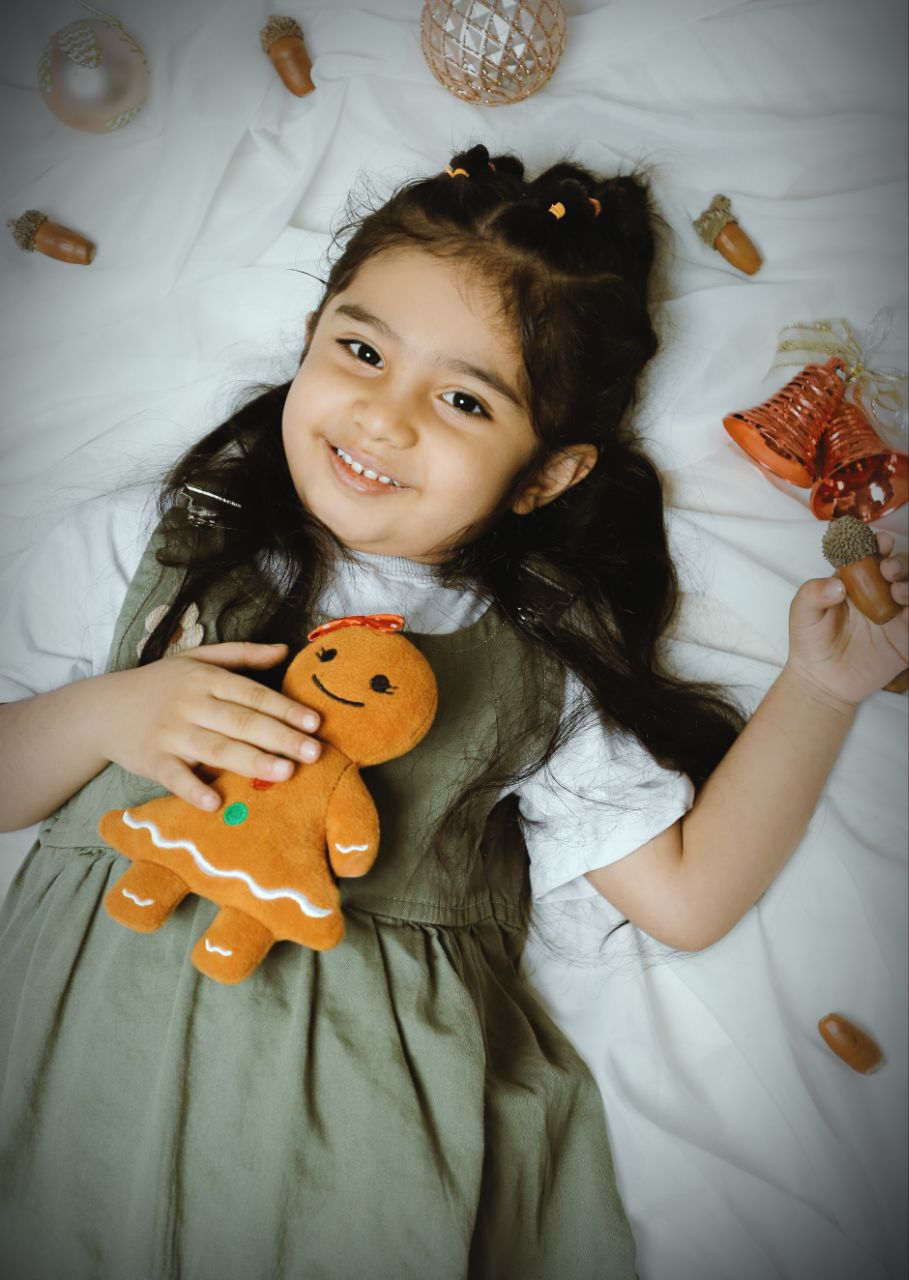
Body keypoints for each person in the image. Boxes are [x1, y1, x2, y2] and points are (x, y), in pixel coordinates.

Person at [0, 143, 905, 1280]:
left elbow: (686, 898)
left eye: (465, 399)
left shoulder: (538, 661)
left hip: (348, 1124)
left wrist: (820, 686)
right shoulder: (160, 542)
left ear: (545, 476)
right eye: (361, 350)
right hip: (81, 1067)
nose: (384, 416)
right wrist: (107, 715)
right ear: (309, 337)